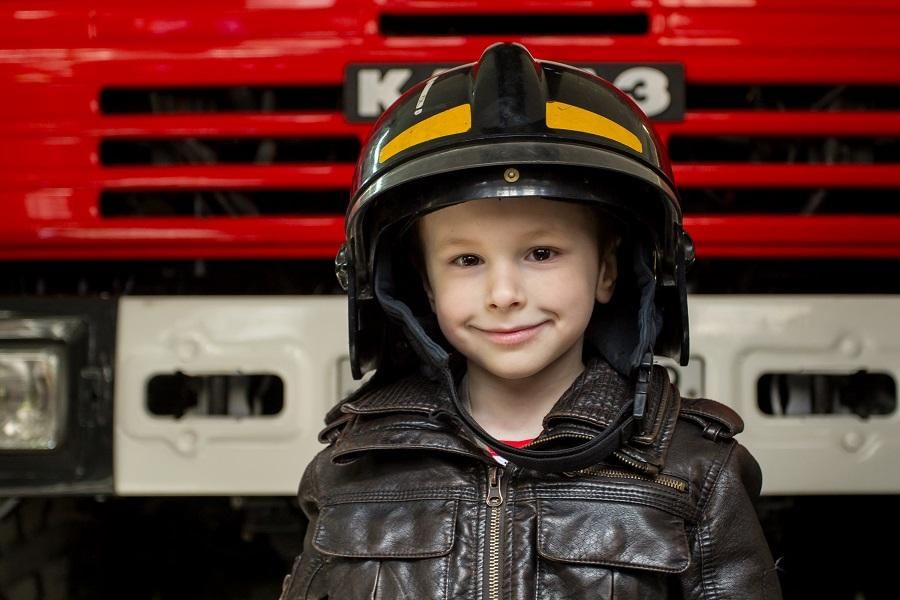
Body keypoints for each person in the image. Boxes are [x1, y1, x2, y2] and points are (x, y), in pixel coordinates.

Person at [279, 42, 782, 599]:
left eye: (541, 253)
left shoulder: (697, 472)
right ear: (422, 285)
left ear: (609, 269)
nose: (503, 293)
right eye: (466, 260)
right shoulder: (349, 469)